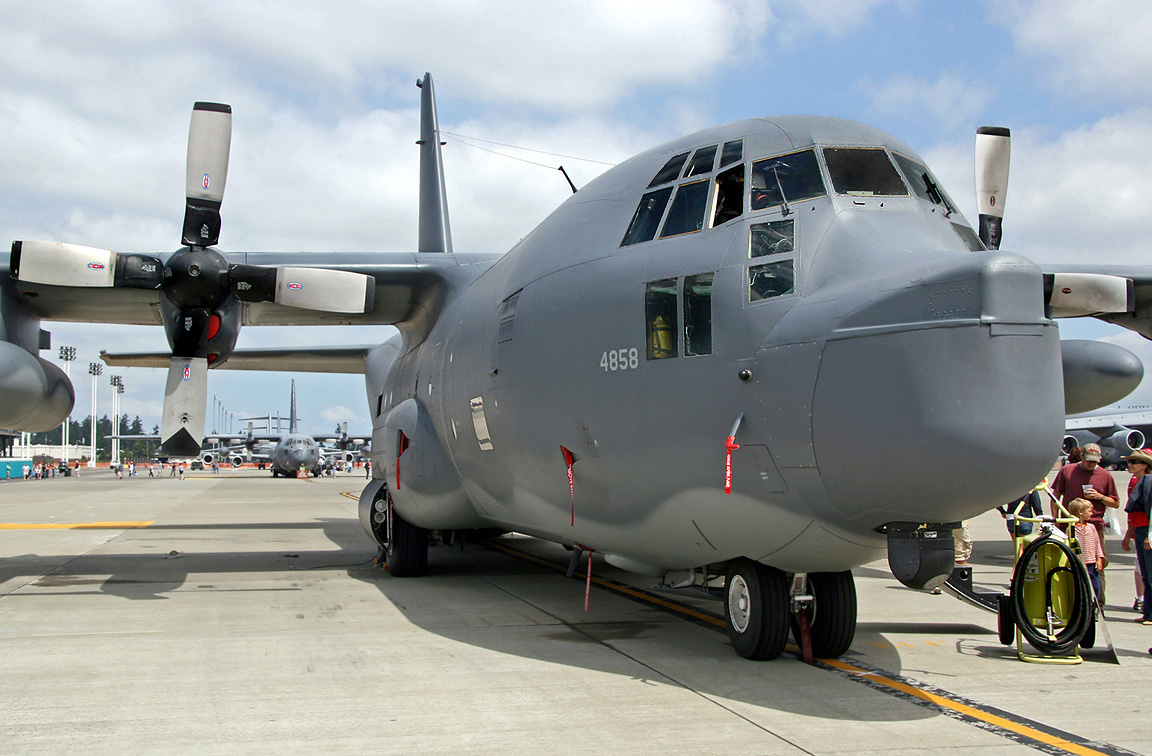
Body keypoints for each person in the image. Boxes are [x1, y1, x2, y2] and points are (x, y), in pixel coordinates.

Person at [1051, 443, 1119, 542]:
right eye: (1088, 460)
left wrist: (1100, 497)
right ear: (1082, 456)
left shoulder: (1105, 475)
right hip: (1070, 524)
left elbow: (1116, 503)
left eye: (1094, 461)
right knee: (1068, 555)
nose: (1091, 464)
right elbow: (1055, 497)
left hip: (1094, 526)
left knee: (1096, 556)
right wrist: (1055, 519)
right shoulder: (1067, 471)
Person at [1123, 448, 1152, 624]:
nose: (1130, 465)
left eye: (1134, 462)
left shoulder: (1148, 482)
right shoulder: (1140, 482)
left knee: (1150, 574)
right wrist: (1128, 535)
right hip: (1140, 529)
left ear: (1144, 466)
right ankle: (1148, 612)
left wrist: (1150, 534)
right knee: (1146, 575)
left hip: (1147, 530)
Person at [1069, 498, 1105, 606]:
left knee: (1096, 586)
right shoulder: (1071, 529)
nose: (1091, 513)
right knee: (1081, 586)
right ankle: (1084, 606)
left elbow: (1097, 544)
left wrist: (1099, 558)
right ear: (1081, 512)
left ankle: (1094, 605)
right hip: (1079, 563)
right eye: (1089, 511)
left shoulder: (1091, 527)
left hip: (1092, 563)